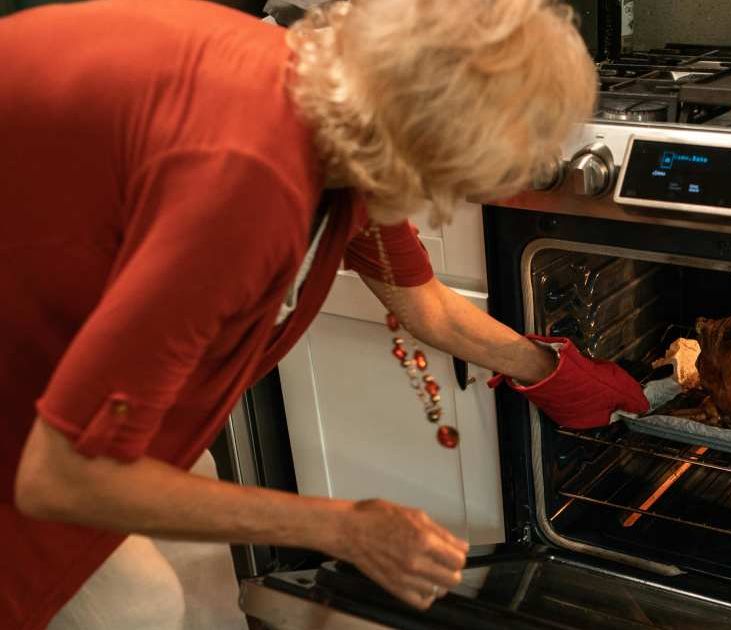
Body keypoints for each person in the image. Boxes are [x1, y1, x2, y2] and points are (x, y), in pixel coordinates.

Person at [0, 0, 650, 628]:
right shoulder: (247, 179)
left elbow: (423, 303)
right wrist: (340, 526)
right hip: (34, 412)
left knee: (198, 574)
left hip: (79, 350)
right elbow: (64, 478)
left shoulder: (338, 104)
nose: (439, 200)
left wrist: (553, 371)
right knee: (137, 609)